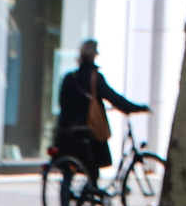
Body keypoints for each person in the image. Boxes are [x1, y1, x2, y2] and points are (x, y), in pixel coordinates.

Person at [53, 41, 146, 181]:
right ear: (94, 55)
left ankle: (67, 201)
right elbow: (114, 98)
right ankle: (92, 192)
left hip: (67, 132)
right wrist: (135, 108)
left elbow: (62, 103)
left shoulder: (69, 78)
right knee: (93, 165)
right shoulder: (95, 77)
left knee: (68, 171)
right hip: (88, 130)